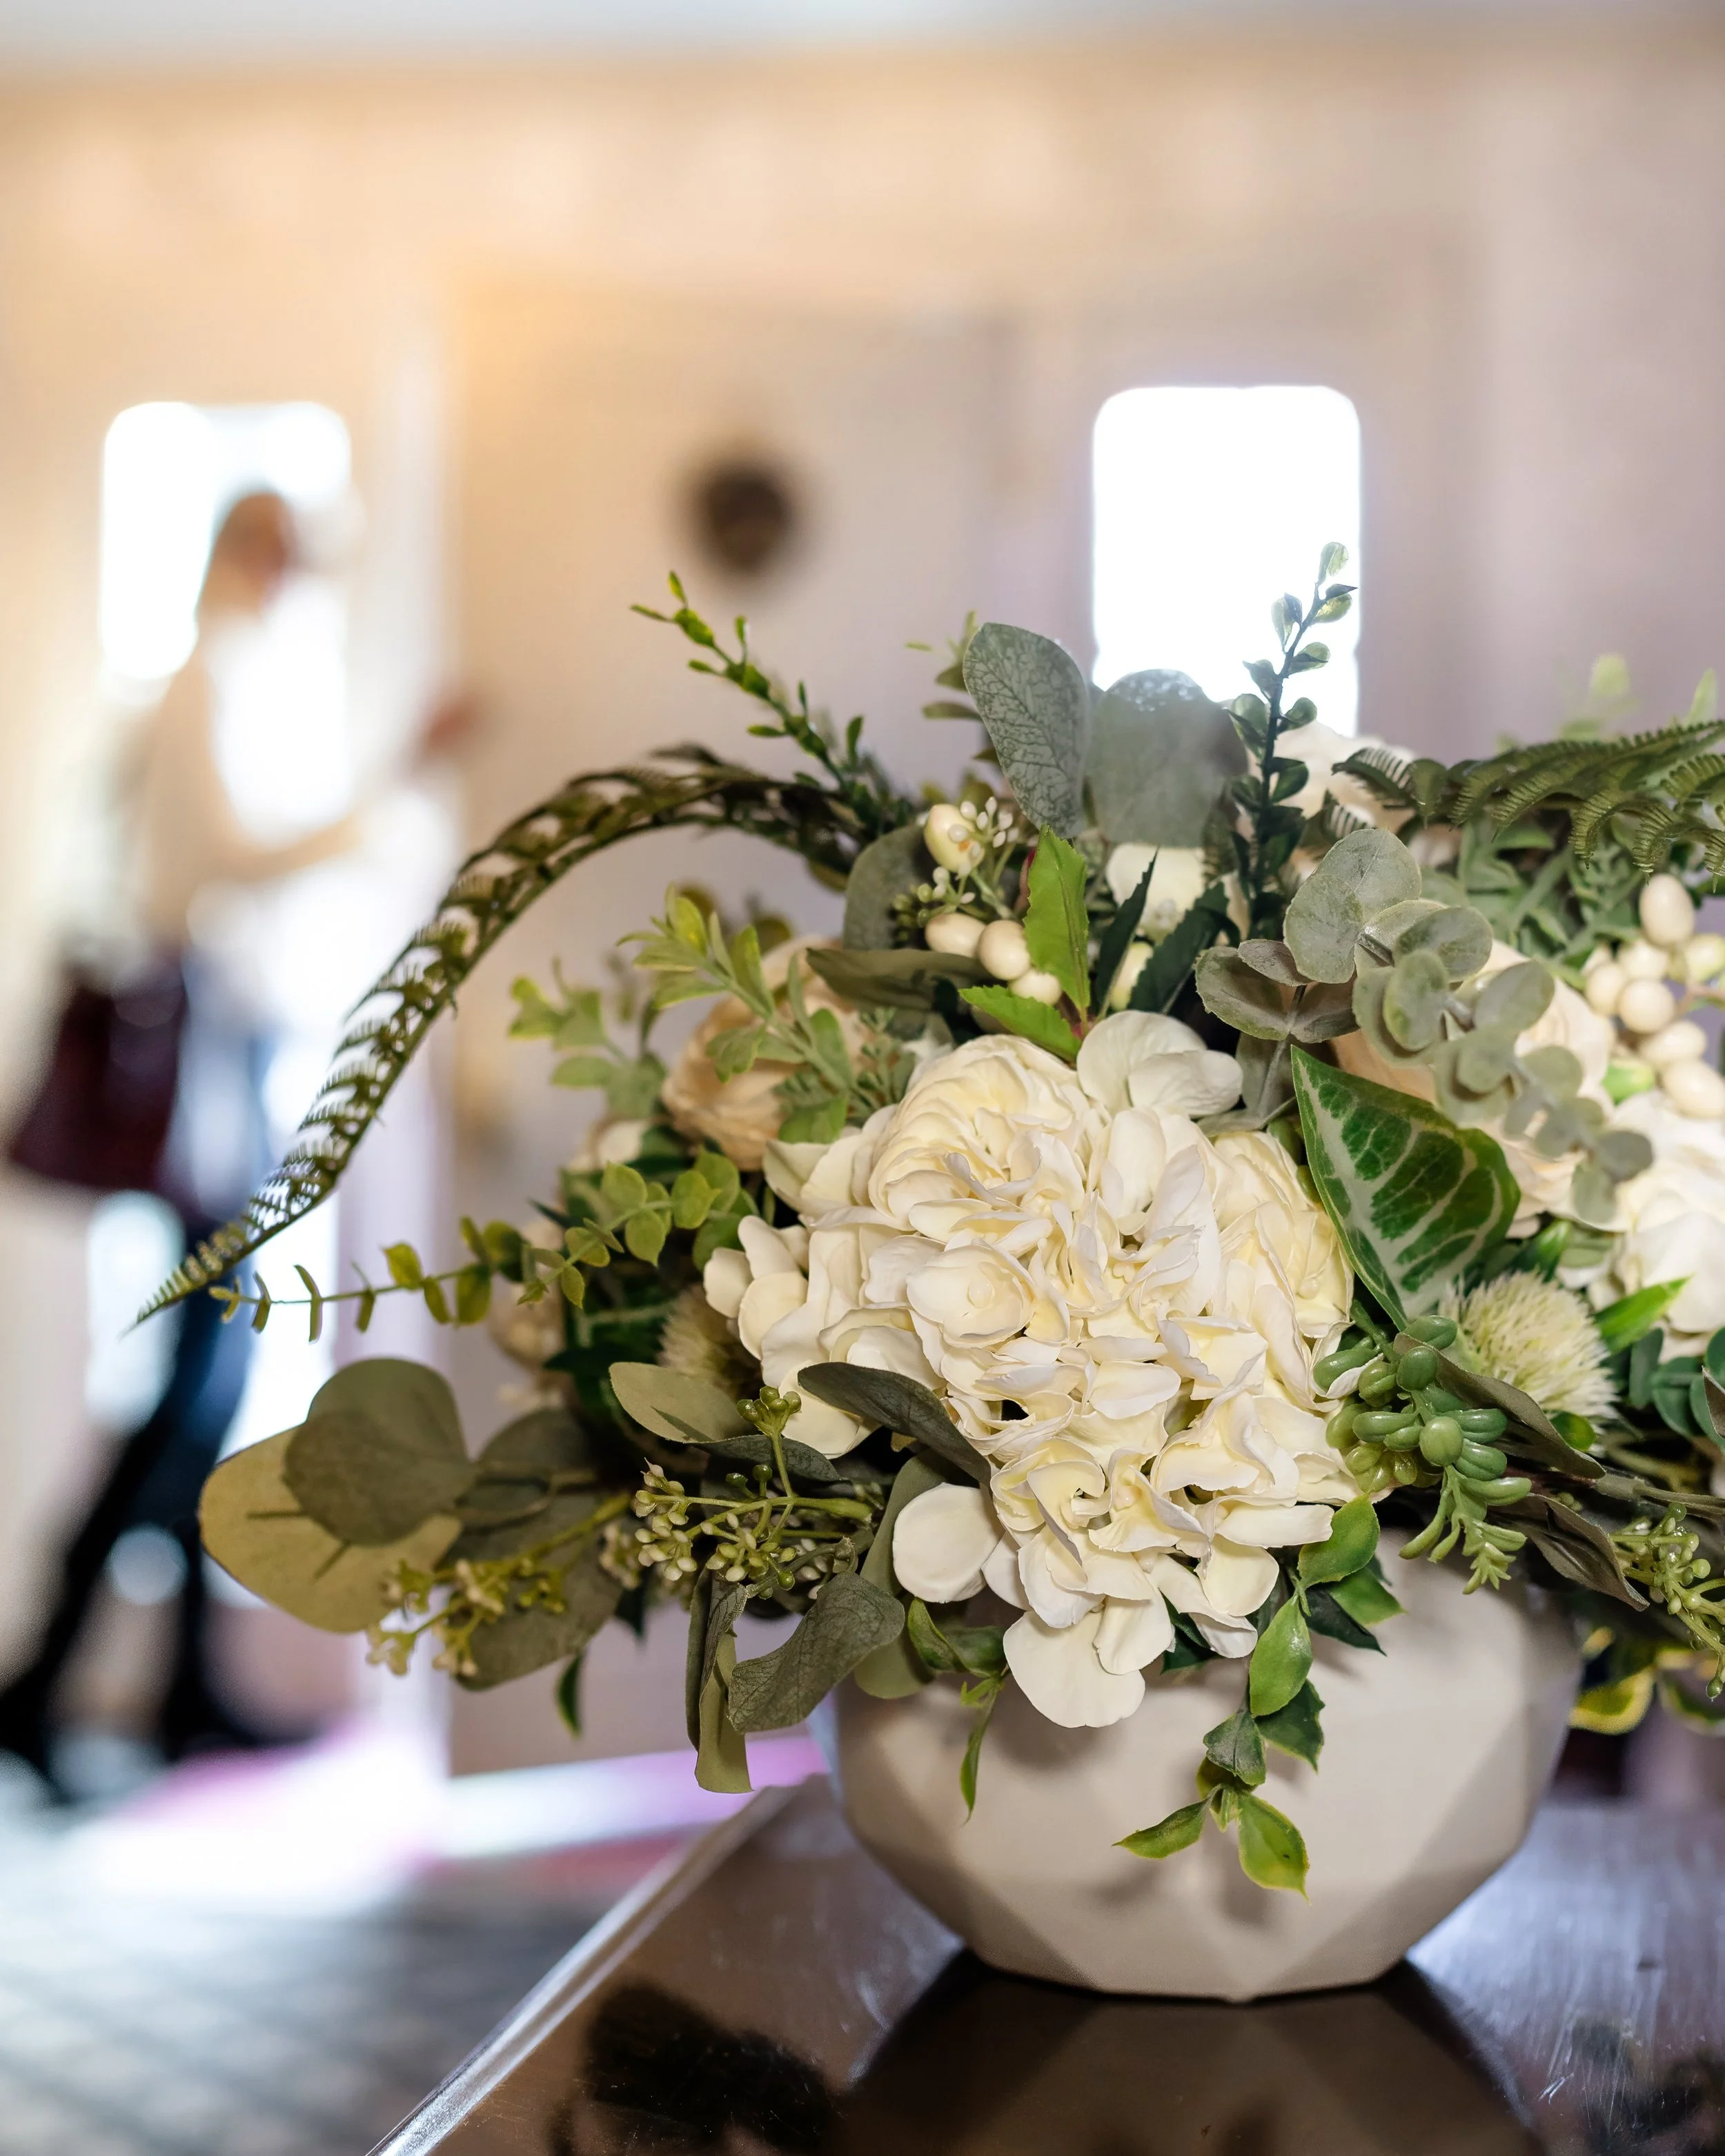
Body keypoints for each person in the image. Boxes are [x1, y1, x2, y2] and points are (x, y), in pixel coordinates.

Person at [0, 490, 469, 1794]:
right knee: (196, 1386)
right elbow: (226, 862)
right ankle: (40, 1681)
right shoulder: (204, 681)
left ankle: (179, 1690)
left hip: (234, 1060)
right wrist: (397, 778)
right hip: (204, 1063)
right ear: (259, 555)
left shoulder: (225, 680)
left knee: (207, 1376)